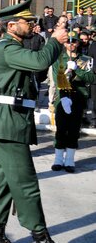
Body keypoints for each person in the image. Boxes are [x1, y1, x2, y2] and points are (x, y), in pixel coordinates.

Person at [0, 0, 83, 243]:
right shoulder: (6, 48)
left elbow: (35, 67)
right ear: (12, 25)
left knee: (3, 182)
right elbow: (40, 61)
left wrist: (58, 32)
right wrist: (55, 39)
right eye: (28, 22)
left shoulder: (14, 48)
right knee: (26, 184)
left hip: (13, 121)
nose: (33, 25)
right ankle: (43, 242)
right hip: (9, 122)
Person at [50, 31, 94, 173]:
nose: (72, 44)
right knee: (61, 129)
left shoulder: (85, 60)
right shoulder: (59, 59)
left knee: (74, 130)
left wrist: (77, 70)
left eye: (74, 41)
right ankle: (58, 159)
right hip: (62, 98)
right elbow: (58, 78)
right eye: (69, 41)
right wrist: (63, 97)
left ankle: (69, 160)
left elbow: (92, 79)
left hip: (78, 97)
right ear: (64, 43)